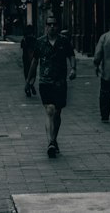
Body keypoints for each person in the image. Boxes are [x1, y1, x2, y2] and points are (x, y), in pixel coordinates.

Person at [25, 13, 75, 158]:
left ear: (58, 26)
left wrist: (73, 69)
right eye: (49, 24)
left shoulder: (64, 42)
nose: (52, 27)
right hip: (45, 82)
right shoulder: (40, 42)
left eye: (54, 24)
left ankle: (54, 139)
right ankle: (51, 142)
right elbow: (34, 62)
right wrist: (29, 81)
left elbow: (71, 55)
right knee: (50, 110)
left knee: (58, 113)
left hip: (60, 82)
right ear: (46, 26)